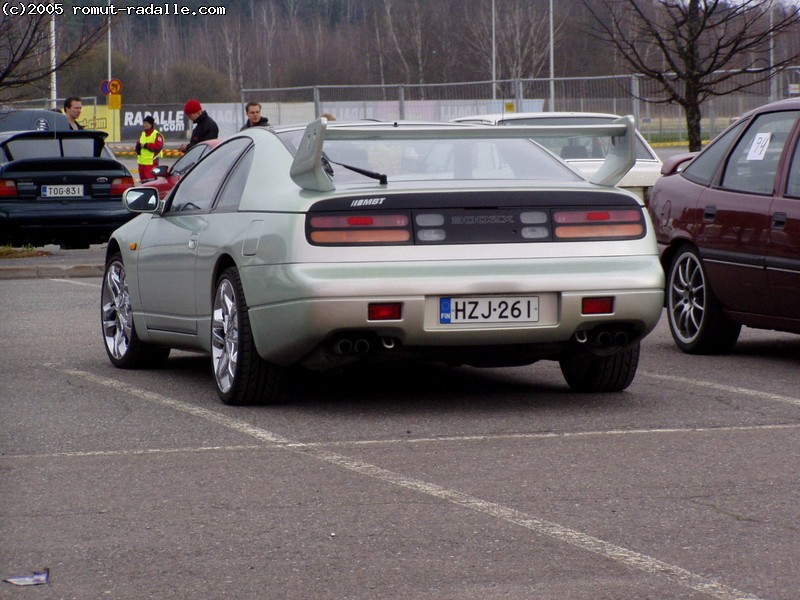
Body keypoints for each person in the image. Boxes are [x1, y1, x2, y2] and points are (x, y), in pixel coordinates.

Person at [135, 115, 164, 183]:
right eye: (144, 123)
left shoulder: (157, 134)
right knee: (143, 182)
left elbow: (158, 146)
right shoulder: (143, 133)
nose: (145, 125)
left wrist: (146, 145)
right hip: (141, 163)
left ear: (151, 124)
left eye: (147, 123)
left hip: (151, 162)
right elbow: (139, 142)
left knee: (151, 182)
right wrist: (137, 147)